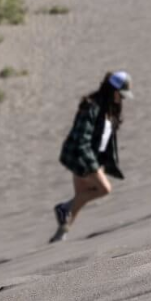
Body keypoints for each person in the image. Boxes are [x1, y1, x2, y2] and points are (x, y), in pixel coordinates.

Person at [52, 70, 130, 242]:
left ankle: (60, 236)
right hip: (80, 157)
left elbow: (104, 140)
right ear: (112, 90)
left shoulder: (111, 109)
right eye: (120, 94)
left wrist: (101, 161)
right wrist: (93, 164)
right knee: (104, 189)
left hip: (91, 157)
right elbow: (82, 139)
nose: (122, 99)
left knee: (81, 197)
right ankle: (63, 208)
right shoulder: (92, 107)